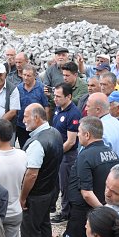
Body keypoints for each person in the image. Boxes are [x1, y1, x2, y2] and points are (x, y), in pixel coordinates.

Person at [62, 116, 119, 237]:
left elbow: (86, 193)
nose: (77, 135)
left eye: (79, 132)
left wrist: (104, 212)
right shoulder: (112, 153)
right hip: (101, 206)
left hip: (84, 212)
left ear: (87, 135)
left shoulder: (86, 155)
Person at [20, 104, 63, 237]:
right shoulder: (54, 132)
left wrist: (22, 197)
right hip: (50, 189)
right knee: (44, 224)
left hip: (37, 193)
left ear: (37, 118)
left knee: (31, 230)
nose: (23, 120)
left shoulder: (38, 142)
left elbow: (31, 174)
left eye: (26, 116)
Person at [51, 83, 81, 224]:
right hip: (59, 153)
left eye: (58, 96)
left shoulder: (73, 113)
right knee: (58, 183)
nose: (55, 99)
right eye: (54, 95)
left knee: (66, 185)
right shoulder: (58, 108)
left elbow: (70, 141)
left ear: (68, 96)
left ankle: (66, 214)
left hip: (67, 155)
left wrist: (56, 153)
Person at [86, 93, 119, 165]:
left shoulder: (98, 130)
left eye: (88, 106)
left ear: (98, 110)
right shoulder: (116, 122)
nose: (85, 109)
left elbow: (96, 160)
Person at [15, 64, 49, 148]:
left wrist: (45, 125)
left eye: (29, 76)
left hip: (37, 127)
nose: (26, 78)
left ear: (35, 76)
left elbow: (46, 108)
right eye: (24, 75)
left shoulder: (41, 88)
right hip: (21, 126)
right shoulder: (18, 88)